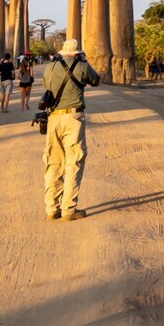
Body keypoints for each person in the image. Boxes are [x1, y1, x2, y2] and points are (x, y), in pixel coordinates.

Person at [40, 38, 100, 221]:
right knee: (73, 162)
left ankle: (52, 209)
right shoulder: (81, 66)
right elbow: (96, 80)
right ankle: (68, 210)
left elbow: (46, 86)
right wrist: (84, 61)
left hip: (53, 118)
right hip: (73, 118)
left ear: (62, 52)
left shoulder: (50, 67)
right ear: (77, 53)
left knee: (53, 163)